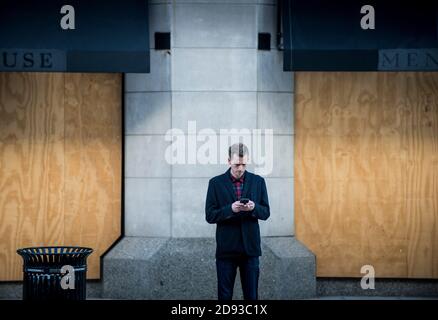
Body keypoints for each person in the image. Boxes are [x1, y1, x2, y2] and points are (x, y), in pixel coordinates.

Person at [205, 142, 270, 300]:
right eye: (236, 164)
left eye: (243, 164)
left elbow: (266, 212)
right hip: (226, 250)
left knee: (251, 296)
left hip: (250, 250)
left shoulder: (258, 181)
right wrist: (230, 209)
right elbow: (210, 215)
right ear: (228, 161)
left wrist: (254, 208)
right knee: (225, 296)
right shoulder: (215, 183)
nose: (240, 168)